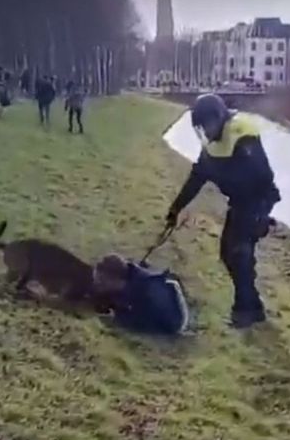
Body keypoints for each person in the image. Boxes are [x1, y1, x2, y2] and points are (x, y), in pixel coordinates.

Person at [163, 93, 279, 329]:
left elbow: (264, 176)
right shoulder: (212, 147)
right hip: (239, 202)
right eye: (202, 127)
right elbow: (197, 178)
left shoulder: (241, 135)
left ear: (219, 117)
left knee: (240, 253)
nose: (206, 130)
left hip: (258, 198)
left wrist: (260, 215)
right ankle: (253, 307)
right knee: (228, 254)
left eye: (209, 124)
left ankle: (244, 312)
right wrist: (176, 208)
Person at [93, 254, 188, 336]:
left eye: (102, 282)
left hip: (171, 322)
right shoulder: (129, 282)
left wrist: (118, 320)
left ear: (115, 279)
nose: (99, 286)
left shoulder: (145, 289)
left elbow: (168, 324)